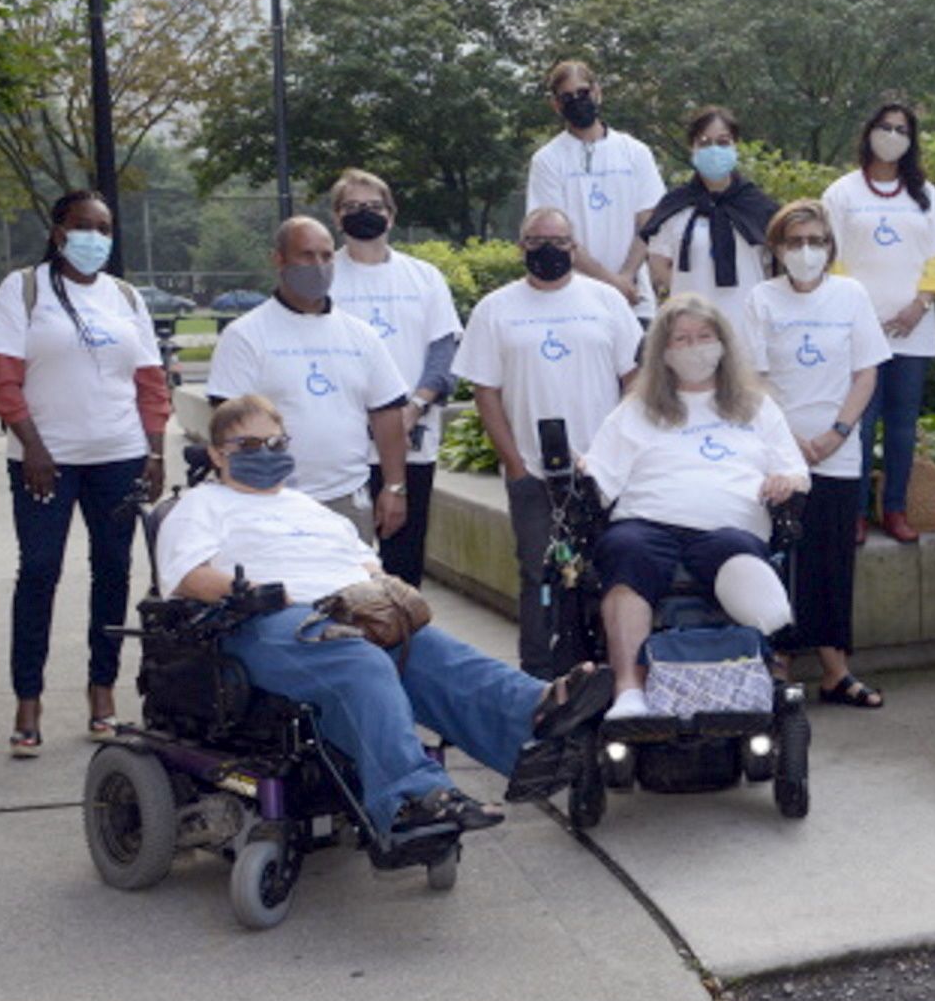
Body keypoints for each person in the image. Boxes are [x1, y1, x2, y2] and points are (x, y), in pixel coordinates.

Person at [160, 396, 613, 842]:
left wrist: (387, 595)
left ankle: (539, 710)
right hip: (265, 621)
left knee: (428, 649)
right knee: (361, 660)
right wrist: (251, 592)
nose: (266, 453)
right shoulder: (202, 506)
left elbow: (367, 563)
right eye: (249, 445)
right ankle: (409, 797)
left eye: (275, 443)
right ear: (218, 453)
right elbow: (184, 575)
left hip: (348, 608)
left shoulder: (308, 507)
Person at [0, 189, 171, 756]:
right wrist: (33, 446)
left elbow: (151, 382)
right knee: (39, 572)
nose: (95, 238)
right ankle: (28, 700)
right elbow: (1, 378)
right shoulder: (24, 289)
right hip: (45, 460)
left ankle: (102, 691)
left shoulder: (126, 297)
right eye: (84, 226)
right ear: (59, 230)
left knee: (113, 571)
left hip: (119, 453)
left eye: (105, 228)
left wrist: (154, 452)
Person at [581, 295, 810, 719]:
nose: (694, 347)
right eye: (681, 339)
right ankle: (629, 688)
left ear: (723, 344)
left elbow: (796, 472)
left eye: (704, 337)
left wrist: (786, 481)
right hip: (648, 522)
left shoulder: (757, 407)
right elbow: (598, 476)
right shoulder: (636, 411)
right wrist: (579, 471)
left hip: (729, 528)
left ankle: (758, 665)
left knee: (743, 560)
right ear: (664, 353)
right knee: (626, 550)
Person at [457, 207, 645, 675]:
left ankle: (610, 669)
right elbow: (486, 392)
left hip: (602, 471)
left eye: (559, 242)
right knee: (538, 574)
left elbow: (634, 380)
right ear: (521, 246)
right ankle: (540, 678)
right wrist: (516, 466)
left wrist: (616, 455)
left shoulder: (606, 301)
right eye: (537, 240)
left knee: (608, 570)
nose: (549, 249)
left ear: (574, 248)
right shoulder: (495, 309)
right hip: (534, 474)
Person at [741, 200, 893, 707]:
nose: (806, 252)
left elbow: (866, 372)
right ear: (778, 249)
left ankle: (835, 672)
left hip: (838, 452)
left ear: (829, 248)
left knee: (831, 561)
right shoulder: (761, 299)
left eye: (816, 242)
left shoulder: (850, 296)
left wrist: (838, 432)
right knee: (780, 559)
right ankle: (778, 666)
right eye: (795, 242)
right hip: (778, 454)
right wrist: (789, 444)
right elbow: (755, 379)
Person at [204, 216, 414, 545]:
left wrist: (394, 487)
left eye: (326, 256)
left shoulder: (362, 336)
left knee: (354, 593)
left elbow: (387, 414)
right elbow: (226, 423)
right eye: (306, 255)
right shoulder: (245, 335)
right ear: (280, 260)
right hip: (269, 501)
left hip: (348, 499)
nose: (318, 265)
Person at [821, 97, 935, 543]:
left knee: (901, 426)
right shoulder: (842, 193)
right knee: (859, 425)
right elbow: (829, 257)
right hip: (858, 333)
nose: (893, 136)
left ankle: (895, 508)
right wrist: (857, 313)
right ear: (868, 133)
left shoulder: (926, 195)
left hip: (912, 331)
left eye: (902, 130)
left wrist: (921, 303)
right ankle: (856, 511)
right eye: (885, 127)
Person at [322, 169, 462, 589]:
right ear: (336, 217)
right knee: (342, 566)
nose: (364, 214)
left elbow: (445, 349)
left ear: (392, 215)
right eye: (352, 207)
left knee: (403, 566)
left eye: (373, 206)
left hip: (411, 443)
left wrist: (414, 406)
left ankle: (401, 650)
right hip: (344, 446)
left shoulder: (424, 277)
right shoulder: (325, 277)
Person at [525, 59, 656, 307]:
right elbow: (553, 235)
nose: (577, 101)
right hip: (575, 300)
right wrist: (611, 283)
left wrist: (626, 276)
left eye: (583, 93)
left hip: (635, 298)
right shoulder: (547, 160)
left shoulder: (636, 152)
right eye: (567, 97)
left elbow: (649, 223)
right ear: (555, 104)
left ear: (597, 92)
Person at [640, 105, 777, 307]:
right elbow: (658, 264)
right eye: (704, 142)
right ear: (692, 147)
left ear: (735, 145)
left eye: (723, 142)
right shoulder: (675, 205)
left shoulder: (758, 206)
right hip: (693, 325)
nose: (714, 150)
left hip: (748, 322)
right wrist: (687, 295)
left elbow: (772, 265)